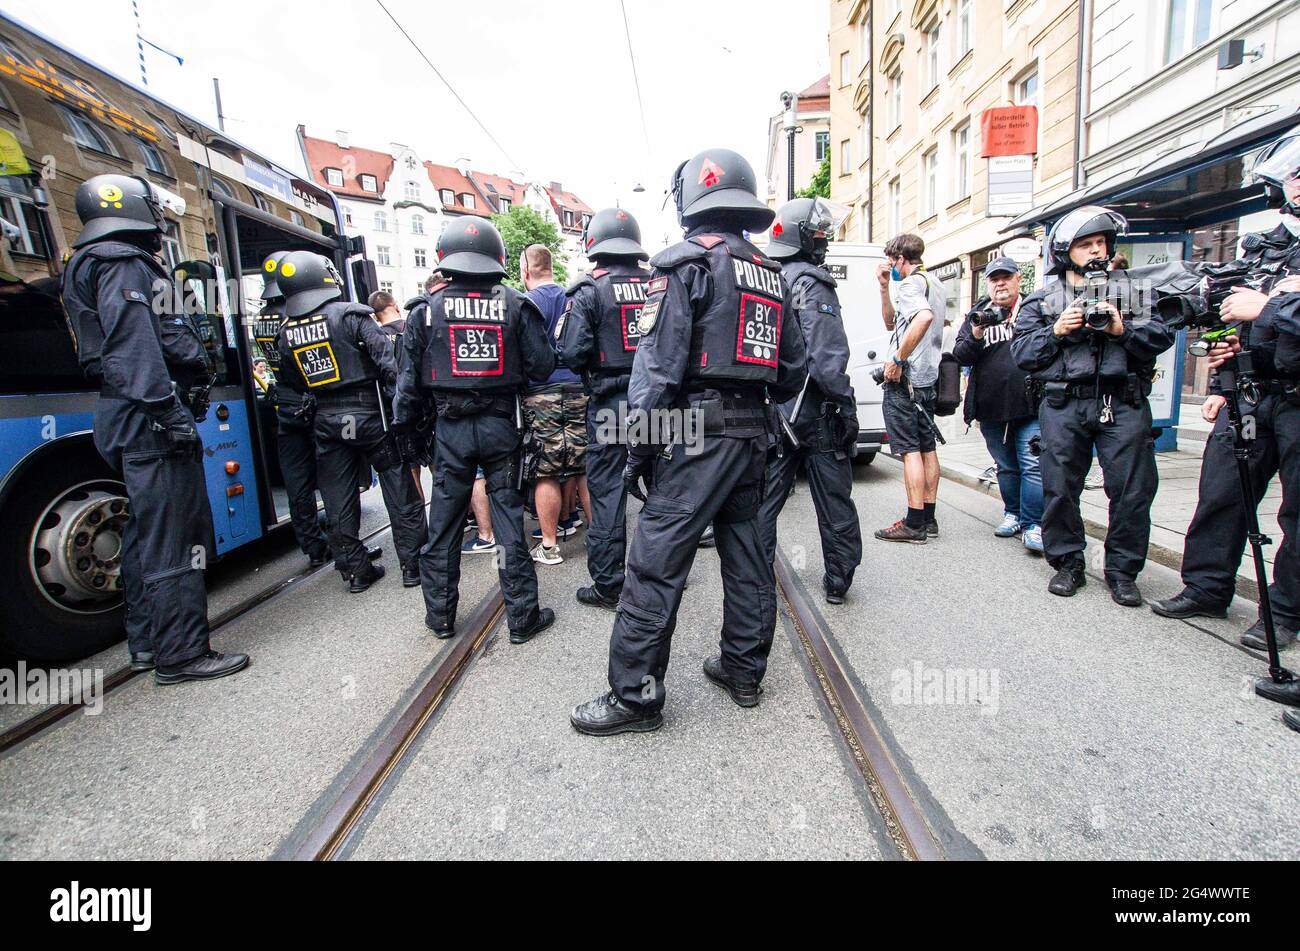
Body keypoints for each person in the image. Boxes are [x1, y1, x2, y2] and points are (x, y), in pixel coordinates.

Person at [570, 148, 807, 736]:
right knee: (750, 557)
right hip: (755, 434)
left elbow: (657, 371)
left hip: (695, 433)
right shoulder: (773, 276)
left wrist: (639, 453)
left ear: (690, 202)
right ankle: (743, 671)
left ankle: (635, 697)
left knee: (654, 564)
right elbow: (796, 368)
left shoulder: (684, 266)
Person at [61, 174, 248, 683]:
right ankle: (183, 653)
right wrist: (168, 410)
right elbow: (133, 346)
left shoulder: (91, 262)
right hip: (148, 421)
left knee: (147, 538)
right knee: (174, 539)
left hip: (129, 416)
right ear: (138, 211)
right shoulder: (122, 263)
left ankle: (148, 643)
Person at [1155, 133, 1300, 649]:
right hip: (1251, 391)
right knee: (1221, 492)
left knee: (1296, 513)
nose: (1293, 187)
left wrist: (1268, 308)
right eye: (1292, 178)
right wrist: (1220, 380)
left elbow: (1267, 315)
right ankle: (1206, 587)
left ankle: (1282, 614)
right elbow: (1239, 325)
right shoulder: (1276, 249)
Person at [393, 216, 557, 643]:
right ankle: (522, 618)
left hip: (449, 430)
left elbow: (407, 387)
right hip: (502, 426)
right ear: (496, 256)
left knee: (444, 525)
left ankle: (440, 617)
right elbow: (542, 365)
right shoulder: (517, 304)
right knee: (507, 522)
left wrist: (407, 436)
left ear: (444, 256)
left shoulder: (424, 312)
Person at [1011, 206, 1175, 604]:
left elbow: (1161, 336)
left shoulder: (1135, 291)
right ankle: (1068, 564)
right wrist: (1056, 331)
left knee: (1134, 490)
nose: (1097, 251)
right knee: (1060, 489)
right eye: (1086, 245)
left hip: (1124, 402)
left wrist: (1123, 329)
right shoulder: (1042, 300)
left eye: (1101, 242)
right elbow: (1022, 354)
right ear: (1067, 251)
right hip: (1064, 404)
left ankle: (1122, 571)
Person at [274, 251, 426, 592]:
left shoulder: (288, 331)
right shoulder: (351, 315)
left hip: (326, 422)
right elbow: (389, 365)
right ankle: (413, 565)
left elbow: (292, 381)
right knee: (399, 490)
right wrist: (400, 410)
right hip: (372, 416)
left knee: (338, 498)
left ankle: (356, 571)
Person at [757, 196, 862, 604]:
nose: (823, 238)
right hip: (816, 410)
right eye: (819, 232)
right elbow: (827, 356)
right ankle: (838, 579)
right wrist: (846, 405)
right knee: (833, 498)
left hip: (775, 408)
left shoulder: (766, 277)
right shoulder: (811, 280)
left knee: (764, 502)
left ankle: (756, 576)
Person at [555, 207, 652, 610]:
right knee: (663, 493)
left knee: (609, 495)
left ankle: (609, 584)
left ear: (594, 243)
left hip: (610, 406)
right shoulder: (659, 282)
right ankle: (661, 579)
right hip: (657, 402)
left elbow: (572, 351)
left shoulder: (590, 290)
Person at [953, 257, 1044, 553]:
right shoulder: (977, 314)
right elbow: (961, 355)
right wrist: (977, 334)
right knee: (1005, 466)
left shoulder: (1033, 309)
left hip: (1031, 404)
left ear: (1018, 279)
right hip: (991, 407)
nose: (1000, 283)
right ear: (987, 284)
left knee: (1032, 465)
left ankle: (1033, 524)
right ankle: (1013, 514)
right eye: (994, 279)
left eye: (1006, 277)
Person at [252, 252, 332, 567]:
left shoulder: (261, 319)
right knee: (331, 477)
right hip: (311, 403)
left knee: (297, 482)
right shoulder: (298, 315)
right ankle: (342, 545)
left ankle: (313, 545)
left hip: (284, 408)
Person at [873, 233, 947, 543]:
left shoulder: (910, 284)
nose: (890, 267)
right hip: (928, 378)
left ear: (902, 260)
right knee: (927, 447)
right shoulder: (935, 283)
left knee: (909, 450)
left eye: (892, 262)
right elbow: (892, 323)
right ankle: (928, 518)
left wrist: (898, 359)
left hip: (906, 382)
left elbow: (923, 318)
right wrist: (883, 287)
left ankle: (913, 523)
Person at [520, 243, 589, 565]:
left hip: (540, 392)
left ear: (526, 271)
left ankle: (549, 546)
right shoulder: (573, 297)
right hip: (578, 388)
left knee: (545, 472)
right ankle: (600, 536)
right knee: (586, 466)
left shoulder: (526, 303)